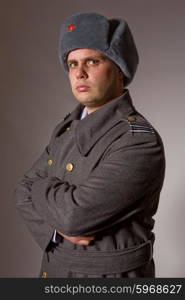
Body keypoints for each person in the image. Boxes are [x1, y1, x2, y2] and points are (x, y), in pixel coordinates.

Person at [15, 12, 165, 278]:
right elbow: (21, 191)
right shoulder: (66, 128)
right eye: (72, 64)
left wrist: (40, 186)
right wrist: (55, 228)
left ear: (119, 68)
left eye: (92, 61)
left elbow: (74, 217)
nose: (79, 73)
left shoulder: (139, 140)